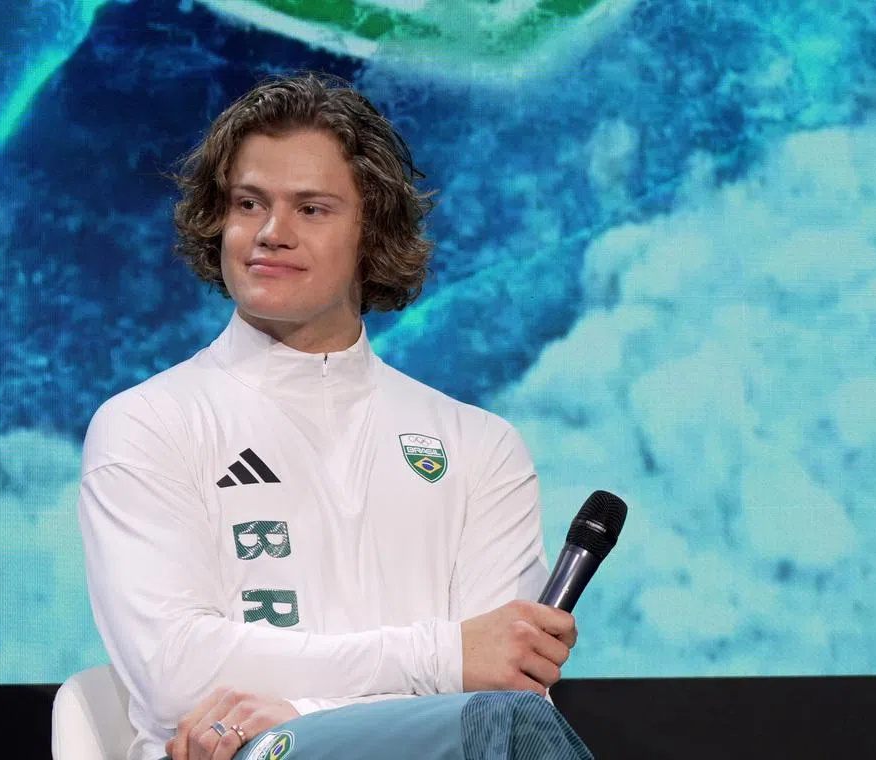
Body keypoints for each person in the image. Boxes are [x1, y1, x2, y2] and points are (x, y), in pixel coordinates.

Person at [78, 72, 578, 760]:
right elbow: (174, 673)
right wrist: (442, 657)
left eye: (311, 209)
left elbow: (504, 699)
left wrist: (303, 711)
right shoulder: (146, 424)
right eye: (249, 204)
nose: (271, 233)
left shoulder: (480, 446)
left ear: (372, 233)